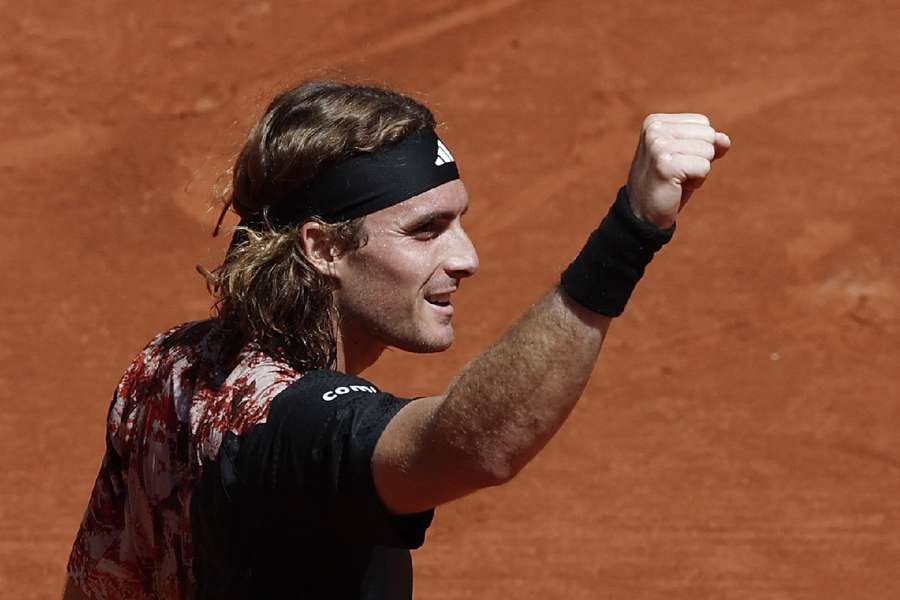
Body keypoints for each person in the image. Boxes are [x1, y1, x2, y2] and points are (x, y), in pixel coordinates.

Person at [65, 80, 730, 599]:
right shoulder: (296, 425)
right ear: (323, 248)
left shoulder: (168, 364)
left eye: (459, 221)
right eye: (425, 230)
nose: (466, 258)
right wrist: (632, 231)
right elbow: (477, 446)